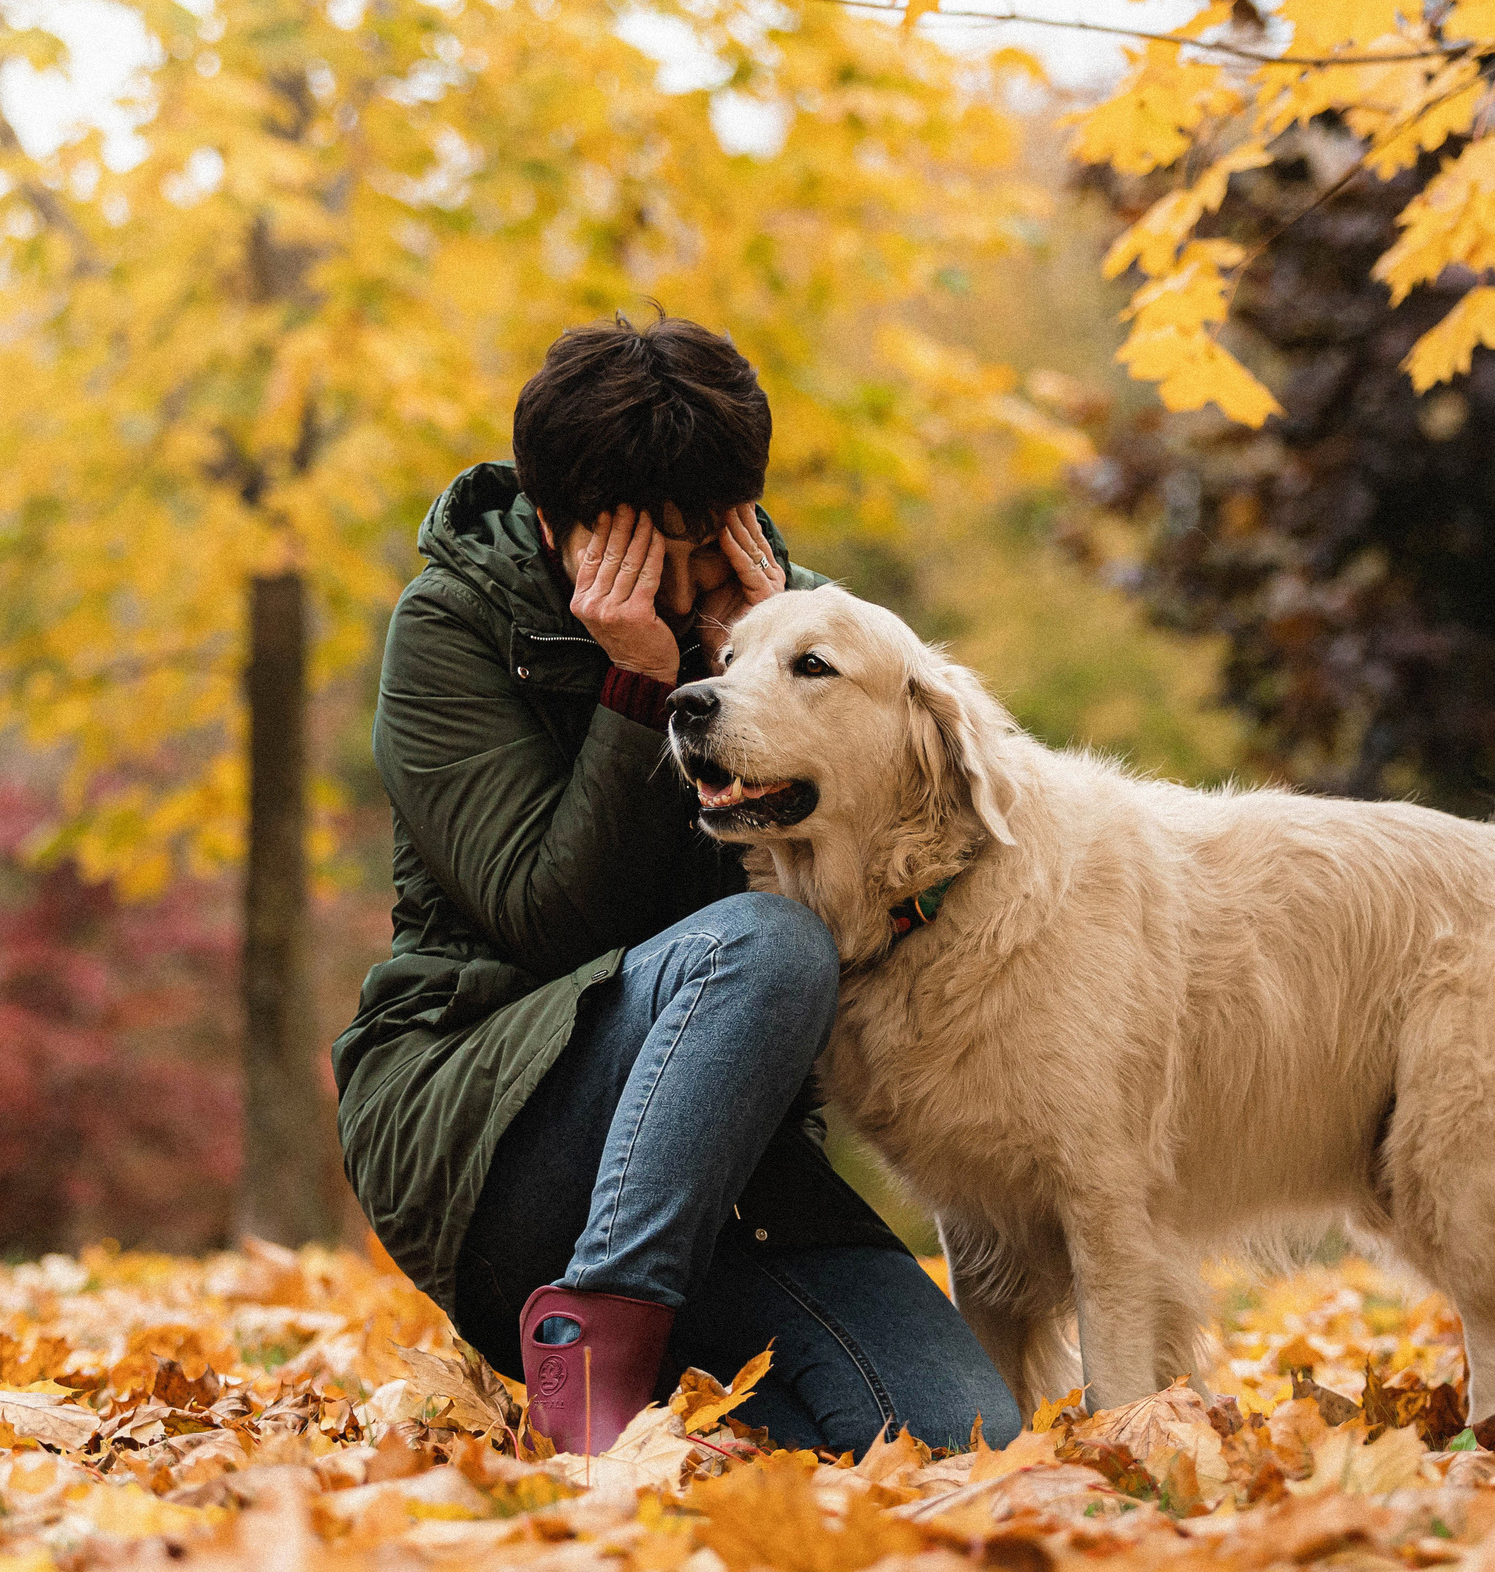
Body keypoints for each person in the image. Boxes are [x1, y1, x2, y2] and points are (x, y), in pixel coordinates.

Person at [334, 314, 1025, 1456]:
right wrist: (641, 690)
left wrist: (739, 669)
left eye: (711, 545)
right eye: (649, 555)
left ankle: (650, 1408)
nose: (692, 584)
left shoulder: (794, 636)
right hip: (491, 1137)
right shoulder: (452, 625)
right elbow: (548, 923)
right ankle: (593, 1335)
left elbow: (901, 870)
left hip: (732, 1169)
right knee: (769, 943)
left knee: (955, 1440)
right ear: (554, 524)